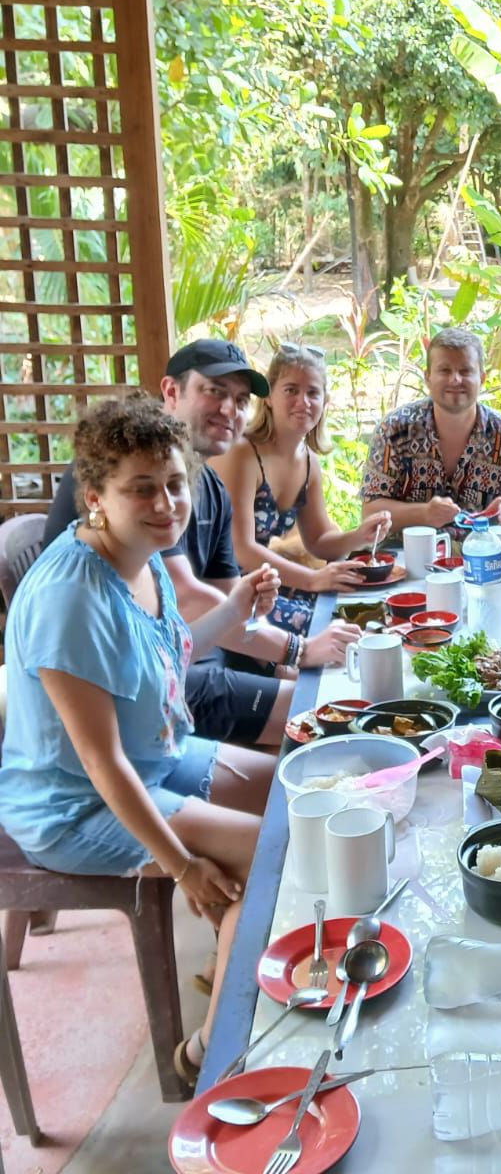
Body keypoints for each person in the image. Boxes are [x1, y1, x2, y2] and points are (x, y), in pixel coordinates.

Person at [0, 395, 278, 1089]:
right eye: (141, 488)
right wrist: (182, 866)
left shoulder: (143, 555)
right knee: (275, 859)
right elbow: (101, 763)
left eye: (176, 483)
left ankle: (232, 955)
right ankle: (210, 1056)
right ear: (96, 497)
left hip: (151, 754)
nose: (166, 503)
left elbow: (168, 656)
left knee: (292, 793)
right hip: (77, 805)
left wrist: (234, 610)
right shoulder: (70, 598)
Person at [43, 339, 362, 747]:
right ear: (171, 391)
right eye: (214, 391)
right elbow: (186, 597)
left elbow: (232, 601)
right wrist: (297, 649)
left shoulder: (209, 485)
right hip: (132, 682)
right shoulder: (127, 474)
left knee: (331, 691)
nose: (229, 409)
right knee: (326, 715)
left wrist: (282, 657)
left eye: (241, 400)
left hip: (192, 652)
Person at [209, 343, 392, 634]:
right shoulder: (242, 454)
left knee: (374, 613)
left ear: (324, 402)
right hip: (224, 592)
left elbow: (318, 540)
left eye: (313, 393)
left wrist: (359, 536)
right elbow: (241, 549)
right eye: (291, 390)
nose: (303, 402)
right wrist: (312, 579)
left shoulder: (308, 461)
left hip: (266, 585)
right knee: (331, 627)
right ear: (269, 397)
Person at [360, 326, 501, 539]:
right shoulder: (395, 430)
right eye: (445, 370)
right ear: (428, 378)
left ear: (482, 378)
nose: (455, 379)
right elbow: (370, 510)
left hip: (481, 552)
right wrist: (424, 514)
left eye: (465, 371)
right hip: (406, 554)